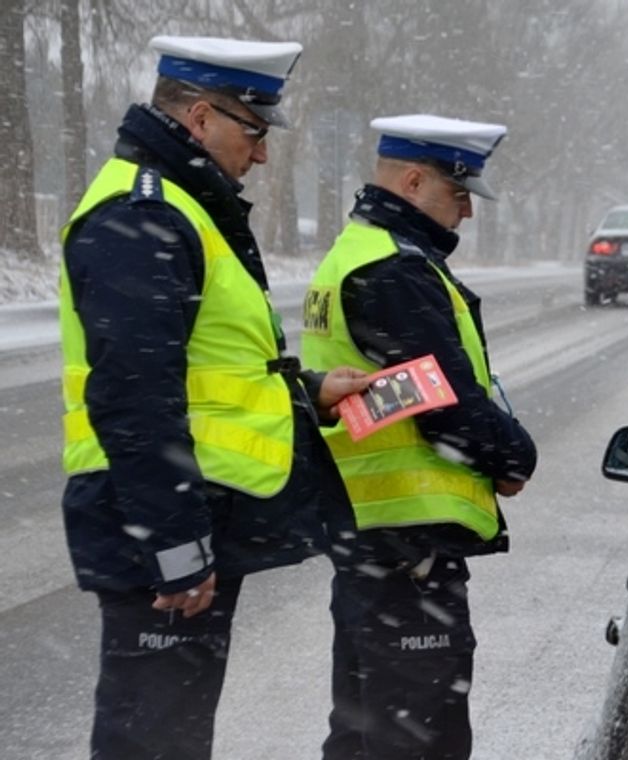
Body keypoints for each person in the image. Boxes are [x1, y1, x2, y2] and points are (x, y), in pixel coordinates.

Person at [58, 35, 371, 760]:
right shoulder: (144, 215)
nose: (261, 153)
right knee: (153, 740)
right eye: (254, 130)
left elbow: (210, 363)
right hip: (159, 522)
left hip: (187, 514)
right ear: (200, 118)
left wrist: (309, 390)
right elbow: (133, 394)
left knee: (171, 734)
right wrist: (173, 543)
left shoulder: (179, 207)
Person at [301, 114, 538, 759]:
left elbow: (408, 391)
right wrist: (516, 455)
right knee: (418, 741)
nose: (466, 212)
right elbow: (448, 404)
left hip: (372, 541)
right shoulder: (393, 271)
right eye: (458, 194)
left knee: (362, 737)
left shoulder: (359, 253)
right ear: (412, 181)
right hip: (407, 545)